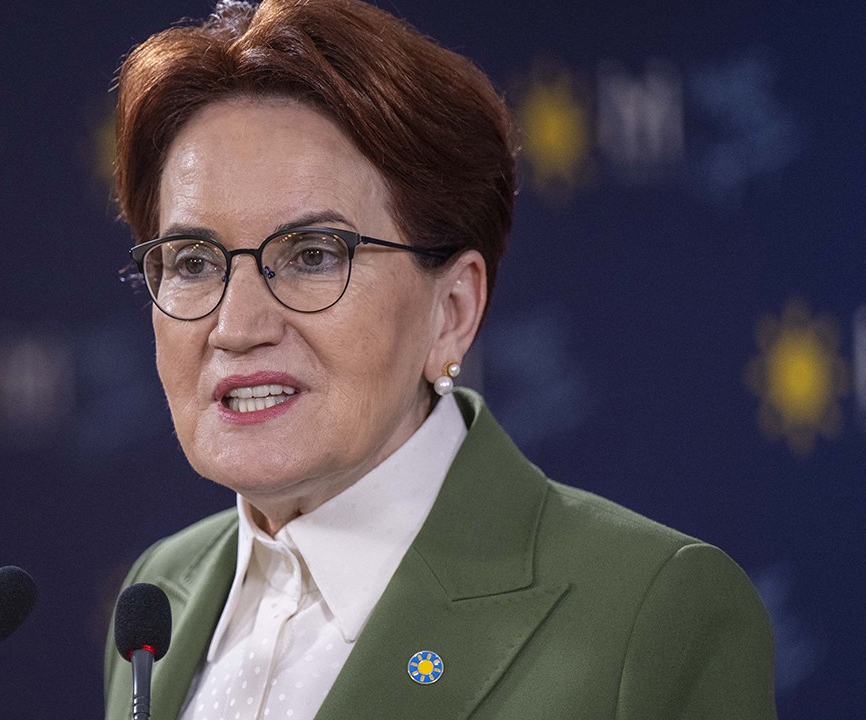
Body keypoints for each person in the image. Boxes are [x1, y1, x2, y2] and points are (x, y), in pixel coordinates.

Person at [102, 1, 777, 718]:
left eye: (312, 256)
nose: (237, 326)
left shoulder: (653, 618)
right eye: (194, 261)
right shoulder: (160, 596)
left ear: (451, 312)